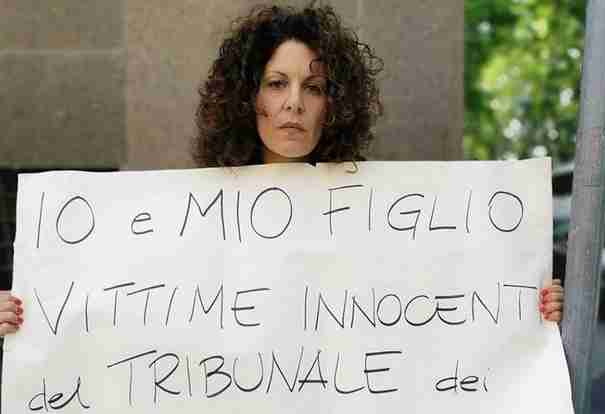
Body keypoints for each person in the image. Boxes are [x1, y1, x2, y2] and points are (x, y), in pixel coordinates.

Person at [0, 2, 564, 337]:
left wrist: (522, 306)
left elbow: (440, 310)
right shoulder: (188, 220)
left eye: (313, 87)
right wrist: (28, 319)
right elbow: (118, 316)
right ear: (248, 98)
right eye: (276, 83)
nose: (294, 103)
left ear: (334, 105)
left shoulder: (383, 221)